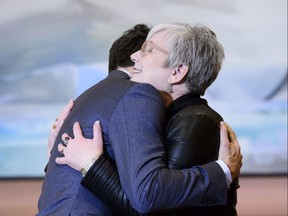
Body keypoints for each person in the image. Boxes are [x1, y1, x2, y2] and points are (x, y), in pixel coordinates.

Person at [38, 23, 242, 216]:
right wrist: (58, 155)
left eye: (148, 49)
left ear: (177, 71)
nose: (134, 56)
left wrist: (91, 164)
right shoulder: (160, 115)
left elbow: (147, 204)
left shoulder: (195, 121)